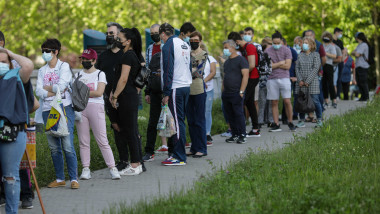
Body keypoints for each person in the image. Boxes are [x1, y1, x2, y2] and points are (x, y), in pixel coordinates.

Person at [35, 38, 79, 189]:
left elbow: (62, 85)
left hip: (64, 109)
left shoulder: (64, 67)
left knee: (67, 145)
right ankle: (60, 178)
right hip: (48, 110)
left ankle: (74, 178)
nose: (45, 54)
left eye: (47, 51)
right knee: (54, 147)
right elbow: (38, 91)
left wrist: (49, 88)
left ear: (56, 52)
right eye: (43, 51)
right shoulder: (42, 70)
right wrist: (52, 91)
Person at [0, 31, 35, 210]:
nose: (1, 64)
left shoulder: (16, 76)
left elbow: (28, 64)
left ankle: (11, 211)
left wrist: (10, 53)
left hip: (13, 132)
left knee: (11, 176)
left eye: (3, 61)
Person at [75, 49, 120, 180]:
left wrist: (81, 92)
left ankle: (112, 167)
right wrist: (87, 92)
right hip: (81, 109)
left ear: (94, 60)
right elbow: (75, 93)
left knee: (102, 140)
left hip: (96, 108)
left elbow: (99, 92)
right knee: (83, 141)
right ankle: (85, 169)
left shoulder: (100, 74)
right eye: (82, 59)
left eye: (87, 59)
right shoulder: (77, 75)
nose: (84, 61)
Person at [96, 22, 130, 172]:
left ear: (119, 35)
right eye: (107, 33)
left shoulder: (126, 54)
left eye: (111, 33)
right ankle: (123, 160)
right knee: (116, 127)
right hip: (108, 98)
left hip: (125, 97)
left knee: (129, 128)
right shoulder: (103, 56)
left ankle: (136, 159)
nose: (108, 36)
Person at [110, 28, 144, 175]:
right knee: (130, 130)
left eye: (120, 38)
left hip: (127, 97)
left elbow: (123, 79)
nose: (118, 40)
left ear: (128, 41)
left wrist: (115, 96)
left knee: (131, 131)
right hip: (129, 96)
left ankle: (136, 164)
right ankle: (137, 163)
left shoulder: (128, 56)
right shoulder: (130, 54)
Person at [159, 23, 192, 166]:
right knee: (179, 121)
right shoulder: (184, 44)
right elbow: (189, 65)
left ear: (162, 34)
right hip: (185, 85)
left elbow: (168, 69)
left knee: (177, 123)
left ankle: (179, 156)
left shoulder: (168, 45)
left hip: (176, 87)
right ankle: (176, 154)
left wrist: (166, 92)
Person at [143, 24, 168, 162]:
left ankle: (173, 150)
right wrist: (147, 90)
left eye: (156, 32)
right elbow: (147, 71)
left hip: (167, 90)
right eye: (151, 33)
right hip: (154, 89)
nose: (154, 35)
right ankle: (149, 151)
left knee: (170, 121)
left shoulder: (168, 47)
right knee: (152, 121)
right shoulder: (150, 49)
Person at [228, 32, 260, 137]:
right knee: (249, 103)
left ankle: (239, 130)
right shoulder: (242, 49)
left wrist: (241, 73)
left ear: (236, 42)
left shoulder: (249, 47)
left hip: (252, 77)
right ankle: (255, 128)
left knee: (241, 101)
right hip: (247, 77)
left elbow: (252, 65)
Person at [265, 31, 296, 132]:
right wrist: (280, 63)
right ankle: (276, 124)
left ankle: (290, 122)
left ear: (281, 41)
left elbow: (288, 66)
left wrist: (275, 64)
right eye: (274, 43)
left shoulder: (287, 50)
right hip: (272, 79)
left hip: (284, 78)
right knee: (274, 102)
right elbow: (269, 67)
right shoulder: (268, 51)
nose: (276, 45)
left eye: (278, 42)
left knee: (287, 101)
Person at [184, 31, 209, 157]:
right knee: (191, 120)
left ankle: (202, 148)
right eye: (191, 40)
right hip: (188, 90)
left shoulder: (204, 54)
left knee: (199, 120)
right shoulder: (187, 53)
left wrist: (189, 66)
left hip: (199, 89)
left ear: (200, 41)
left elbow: (198, 72)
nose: (193, 42)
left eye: (196, 40)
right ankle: (194, 147)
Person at [222, 40, 249, 144]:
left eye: (226, 47)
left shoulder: (241, 60)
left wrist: (241, 91)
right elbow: (225, 77)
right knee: (230, 114)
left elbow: (245, 76)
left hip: (237, 92)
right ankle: (234, 134)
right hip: (227, 93)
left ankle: (242, 134)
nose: (224, 50)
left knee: (238, 114)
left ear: (233, 48)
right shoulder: (227, 62)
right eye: (224, 47)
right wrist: (223, 91)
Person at [294, 37, 323, 128]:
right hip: (301, 82)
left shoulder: (316, 55)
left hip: (312, 82)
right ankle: (301, 120)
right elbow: (297, 68)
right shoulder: (300, 55)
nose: (304, 45)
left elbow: (316, 68)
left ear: (311, 45)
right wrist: (300, 80)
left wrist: (307, 81)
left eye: (306, 43)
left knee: (315, 101)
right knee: (301, 101)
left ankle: (319, 119)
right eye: (304, 43)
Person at [200, 41, 217, 145]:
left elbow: (213, 72)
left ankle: (207, 133)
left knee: (207, 111)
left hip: (208, 88)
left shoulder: (210, 59)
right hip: (197, 89)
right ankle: (200, 132)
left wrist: (203, 81)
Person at [280, 38, 298, 124]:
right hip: (281, 76)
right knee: (284, 99)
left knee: (289, 98)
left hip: (291, 77)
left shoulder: (292, 51)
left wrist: (296, 76)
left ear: (285, 44)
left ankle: (291, 116)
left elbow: (297, 64)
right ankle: (284, 117)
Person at [258, 37, 274, 127]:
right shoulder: (261, 55)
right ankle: (260, 120)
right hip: (262, 80)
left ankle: (269, 120)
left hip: (270, 79)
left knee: (270, 101)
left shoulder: (271, 55)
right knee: (262, 101)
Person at [351, 32, 370, 101]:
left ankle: (366, 97)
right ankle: (362, 96)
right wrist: (355, 53)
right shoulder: (359, 45)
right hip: (358, 65)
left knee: (363, 82)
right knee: (359, 82)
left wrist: (356, 53)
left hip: (363, 66)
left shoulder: (364, 45)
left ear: (358, 37)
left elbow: (357, 54)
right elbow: (353, 52)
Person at [321, 31, 337, 108]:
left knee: (330, 83)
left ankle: (334, 99)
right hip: (322, 65)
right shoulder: (321, 45)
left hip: (329, 65)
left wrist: (325, 53)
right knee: (324, 83)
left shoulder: (332, 46)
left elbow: (334, 56)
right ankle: (326, 99)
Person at [333, 27, 344, 97]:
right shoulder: (331, 42)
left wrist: (342, 58)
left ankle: (338, 95)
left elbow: (343, 51)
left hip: (340, 62)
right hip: (333, 62)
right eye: (340, 33)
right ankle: (332, 94)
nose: (341, 35)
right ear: (336, 32)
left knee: (339, 79)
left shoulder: (340, 42)